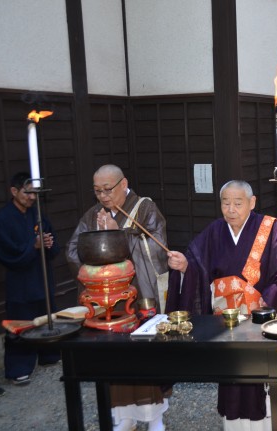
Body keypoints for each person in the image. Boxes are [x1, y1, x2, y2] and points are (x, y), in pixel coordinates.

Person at [165, 180, 277, 429]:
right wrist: (185, 267)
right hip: (225, 319)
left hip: (260, 315)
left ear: (252, 203)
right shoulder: (215, 231)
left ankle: (265, 423)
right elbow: (196, 263)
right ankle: (234, 423)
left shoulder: (269, 229)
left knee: (260, 372)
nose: (231, 209)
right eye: (225, 203)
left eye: (238, 203)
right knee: (232, 371)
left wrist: (266, 299)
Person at [66, 164, 169, 431]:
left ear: (124, 184)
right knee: (113, 359)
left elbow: (156, 250)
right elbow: (73, 249)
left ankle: (154, 418)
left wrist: (117, 234)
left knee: (142, 360)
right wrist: (94, 265)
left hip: (139, 299)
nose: (102, 196)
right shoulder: (93, 215)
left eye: (107, 189)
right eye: (97, 191)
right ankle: (123, 418)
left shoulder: (145, 208)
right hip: (106, 300)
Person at [0, 172, 61, 386]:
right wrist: (33, 247)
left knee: (46, 317)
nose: (32, 197)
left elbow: (50, 238)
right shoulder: (2, 219)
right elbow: (9, 255)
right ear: (14, 192)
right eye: (27, 192)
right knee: (21, 324)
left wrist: (49, 244)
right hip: (21, 282)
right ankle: (19, 368)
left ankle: (48, 355)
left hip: (41, 276)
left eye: (34, 192)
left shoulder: (37, 214)